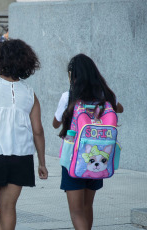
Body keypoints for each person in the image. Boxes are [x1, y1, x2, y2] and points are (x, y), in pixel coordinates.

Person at [0, 39, 48, 230]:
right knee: (8, 207)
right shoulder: (30, 93)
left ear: (0, 60)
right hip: (20, 157)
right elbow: (38, 130)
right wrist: (42, 163)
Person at [53, 54, 123, 230]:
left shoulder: (68, 97)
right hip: (100, 158)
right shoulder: (105, 95)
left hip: (73, 159)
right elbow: (119, 108)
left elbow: (55, 123)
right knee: (87, 207)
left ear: (73, 75)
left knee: (76, 211)